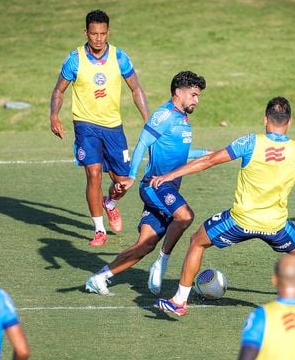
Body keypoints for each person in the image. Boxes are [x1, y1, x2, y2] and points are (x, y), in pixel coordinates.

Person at [151, 96, 295, 316]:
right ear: (290, 122)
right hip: (276, 226)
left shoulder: (250, 142)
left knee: (197, 241)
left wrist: (172, 175)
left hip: (239, 221)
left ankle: (180, 301)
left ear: (265, 119)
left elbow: (209, 160)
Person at [85, 71, 209, 296]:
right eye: (193, 95)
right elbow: (143, 142)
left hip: (167, 188)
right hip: (155, 186)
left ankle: (99, 278)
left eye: (198, 96)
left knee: (145, 245)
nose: (196, 100)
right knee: (185, 216)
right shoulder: (164, 115)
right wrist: (132, 175)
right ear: (178, 92)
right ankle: (161, 263)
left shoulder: (182, 118)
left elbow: (180, 153)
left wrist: (209, 155)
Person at [50, 9, 150, 246]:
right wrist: (54, 115)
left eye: (102, 34)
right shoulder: (75, 59)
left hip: (113, 127)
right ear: (86, 32)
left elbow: (136, 88)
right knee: (93, 173)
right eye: (93, 34)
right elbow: (58, 90)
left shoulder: (119, 57)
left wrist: (148, 120)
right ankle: (99, 230)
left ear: (108, 32)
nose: (98, 38)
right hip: (85, 125)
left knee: (123, 181)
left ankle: (110, 203)